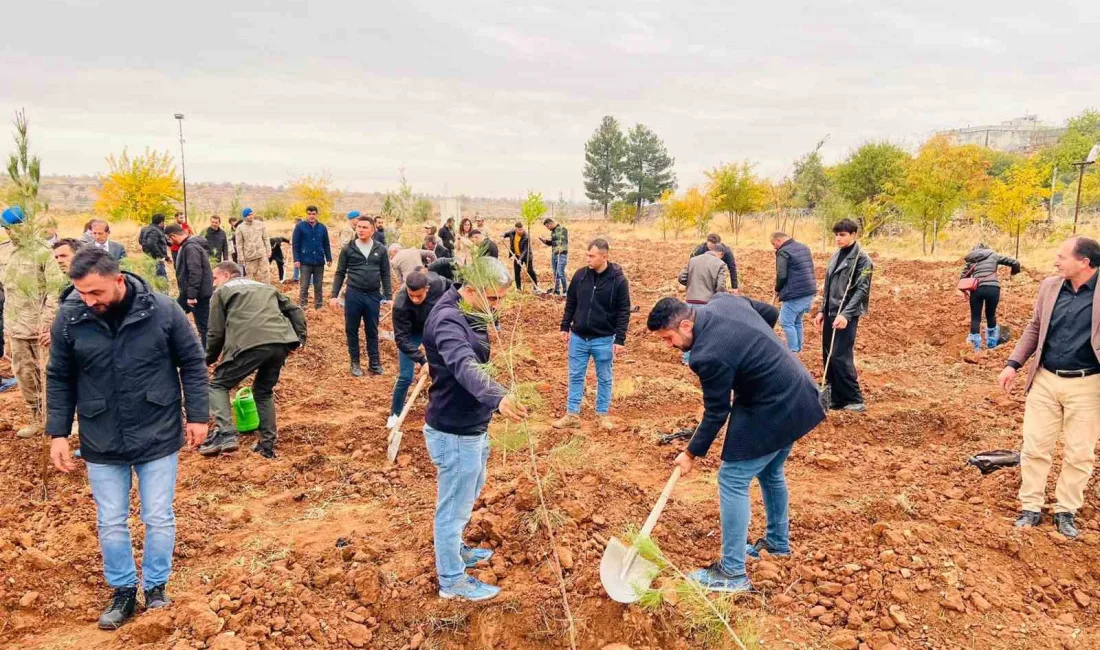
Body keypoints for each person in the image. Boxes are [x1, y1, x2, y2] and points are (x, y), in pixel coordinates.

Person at [45, 247, 209, 630]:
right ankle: (122, 591)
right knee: (112, 521)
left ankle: (155, 588)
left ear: (118, 280)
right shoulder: (71, 317)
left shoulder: (163, 310)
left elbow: (193, 363)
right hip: (101, 433)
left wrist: (198, 416)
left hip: (157, 427)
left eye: (96, 292)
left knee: (158, 515)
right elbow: (58, 376)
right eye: (82, 293)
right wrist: (57, 432)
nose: (89, 300)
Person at [647, 294, 824, 592]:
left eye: (669, 338)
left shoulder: (707, 354)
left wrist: (690, 453)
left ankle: (731, 572)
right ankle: (778, 543)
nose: (669, 346)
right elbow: (769, 313)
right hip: (799, 390)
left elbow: (717, 412)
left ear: (687, 324)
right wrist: (751, 355)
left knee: (732, 478)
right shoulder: (723, 301)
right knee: (770, 472)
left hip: (773, 404)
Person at [422, 256, 527, 601]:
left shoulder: (471, 308)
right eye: (493, 299)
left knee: (468, 491)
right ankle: (451, 579)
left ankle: (456, 551)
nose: (497, 307)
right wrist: (497, 397)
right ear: (469, 290)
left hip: (472, 424)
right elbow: (464, 364)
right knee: (452, 507)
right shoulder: (448, 320)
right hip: (453, 431)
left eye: (500, 299)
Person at [999, 236, 1100, 539]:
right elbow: (1034, 327)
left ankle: (1066, 510)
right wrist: (1013, 363)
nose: (1056, 261)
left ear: (1084, 262)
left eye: (1062, 256)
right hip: (1045, 378)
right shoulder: (1050, 286)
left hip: (1088, 384)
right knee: (1035, 446)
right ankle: (1031, 506)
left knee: (1079, 453)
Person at [199, 261, 307, 459]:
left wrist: (206, 359)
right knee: (263, 392)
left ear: (227, 275)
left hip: (249, 344)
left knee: (218, 385)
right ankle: (267, 446)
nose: (213, 283)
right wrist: (299, 339)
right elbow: (295, 309)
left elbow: (215, 332)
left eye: (215, 278)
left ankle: (226, 434)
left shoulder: (221, 291)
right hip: (280, 343)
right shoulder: (265, 287)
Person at [554, 238, 631, 431]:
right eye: (587, 255)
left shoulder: (619, 281)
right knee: (575, 375)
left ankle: (601, 415)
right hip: (578, 337)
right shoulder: (580, 276)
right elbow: (571, 302)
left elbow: (624, 310)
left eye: (592, 255)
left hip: (604, 338)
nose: (588, 259)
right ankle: (572, 414)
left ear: (604, 256)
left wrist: (620, 339)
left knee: (604, 377)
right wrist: (565, 326)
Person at [2, 210, 64, 438]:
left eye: (14, 226)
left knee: (52, 375)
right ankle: (37, 419)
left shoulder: (44, 251)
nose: (10, 231)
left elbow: (56, 291)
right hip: (16, 327)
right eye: (7, 228)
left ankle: (61, 422)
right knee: (24, 375)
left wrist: (48, 323)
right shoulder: (4, 251)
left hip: (41, 329)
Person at [814, 219, 873, 413]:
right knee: (828, 354)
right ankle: (835, 398)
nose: (838, 239)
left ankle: (854, 398)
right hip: (831, 312)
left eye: (843, 235)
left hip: (845, 314)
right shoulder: (836, 256)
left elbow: (862, 290)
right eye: (837, 235)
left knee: (840, 356)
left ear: (854, 235)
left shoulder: (863, 260)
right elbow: (829, 286)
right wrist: (822, 310)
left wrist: (846, 314)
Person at [388, 269, 451, 427]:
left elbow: (453, 289)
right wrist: (423, 361)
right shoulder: (401, 304)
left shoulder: (437, 284)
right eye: (412, 295)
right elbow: (401, 339)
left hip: (435, 329)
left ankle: (443, 408)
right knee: (405, 376)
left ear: (427, 289)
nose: (415, 300)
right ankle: (395, 414)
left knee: (446, 368)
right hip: (412, 333)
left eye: (419, 296)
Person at [331, 216, 393, 376]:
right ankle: (355, 363)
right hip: (353, 294)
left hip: (373, 296)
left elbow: (386, 274)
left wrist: (389, 296)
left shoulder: (380, 249)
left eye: (365, 227)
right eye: (358, 227)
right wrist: (334, 295)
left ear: (372, 230)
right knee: (351, 329)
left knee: (372, 330)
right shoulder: (348, 249)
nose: (361, 230)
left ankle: (374, 363)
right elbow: (340, 273)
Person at [958, 243, 1021, 351]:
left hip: (977, 290)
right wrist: (1014, 272)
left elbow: (963, 277)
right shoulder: (993, 255)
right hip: (993, 289)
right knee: (990, 315)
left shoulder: (972, 259)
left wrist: (965, 290)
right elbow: (1015, 262)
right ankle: (992, 342)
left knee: (976, 317)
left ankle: (974, 347)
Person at [165, 224, 214, 349]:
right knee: (172, 314)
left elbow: (195, 272)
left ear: (173, 236)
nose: (170, 243)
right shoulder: (188, 246)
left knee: (204, 327)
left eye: (169, 239)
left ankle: (207, 354)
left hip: (198, 295)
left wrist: (192, 296)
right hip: (188, 293)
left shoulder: (190, 248)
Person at [771, 232, 817, 353]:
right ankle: (798, 348)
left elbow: (781, 274)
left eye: (773, 244)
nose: (774, 247)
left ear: (779, 240)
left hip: (796, 292)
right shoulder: (803, 247)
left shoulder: (784, 251)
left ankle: (792, 350)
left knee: (785, 321)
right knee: (796, 321)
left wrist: (777, 288)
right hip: (808, 290)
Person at [292, 205, 332, 308]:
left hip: (319, 261)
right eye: (309, 214)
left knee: (318, 286)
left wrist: (329, 258)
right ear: (306, 214)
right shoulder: (300, 227)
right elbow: (296, 244)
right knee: (304, 285)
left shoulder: (322, 227)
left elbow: (326, 243)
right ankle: (303, 305)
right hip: (305, 261)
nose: (311, 216)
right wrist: (296, 259)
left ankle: (319, 305)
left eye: (313, 214)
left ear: (316, 214)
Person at [235, 208, 270, 282]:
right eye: (248, 215)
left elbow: (266, 238)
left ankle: (267, 291)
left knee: (265, 274)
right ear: (244, 217)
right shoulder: (240, 228)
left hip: (261, 254)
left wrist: (268, 250)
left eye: (251, 214)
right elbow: (239, 244)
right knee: (251, 277)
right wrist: (241, 257)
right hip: (249, 257)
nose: (251, 216)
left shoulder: (260, 224)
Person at [503, 222, 539, 292]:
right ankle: (518, 288)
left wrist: (520, 259)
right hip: (517, 255)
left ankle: (535, 286)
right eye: (519, 230)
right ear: (516, 229)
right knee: (517, 272)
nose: (521, 231)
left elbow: (526, 250)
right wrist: (502, 235)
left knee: (530, 271)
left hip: (527, 256)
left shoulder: (526, 237)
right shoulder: (512, 232)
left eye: (522, 229)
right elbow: (506, 234)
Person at [539, 218, 569, 296]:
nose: (548, 228)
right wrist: (545, 241)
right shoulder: (553, 232)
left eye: (548, 226)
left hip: (561, 254)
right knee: (555, 273)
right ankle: (556, 291)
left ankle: (566, 291)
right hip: (554, 254)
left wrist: (558, 248)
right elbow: (553, 243)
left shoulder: (562, 229)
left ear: (551, 223)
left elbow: (563, 241)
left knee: (560, 272)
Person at [139, 214, 170, 279]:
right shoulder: (155, 231)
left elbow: (141, 241)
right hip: (156, 259)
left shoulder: (145, 229)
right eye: (164, 222)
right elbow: (151, 244)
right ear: (161, 222)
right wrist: (162, 256)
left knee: (151, 279)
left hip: (148, 257)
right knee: (161, 281)